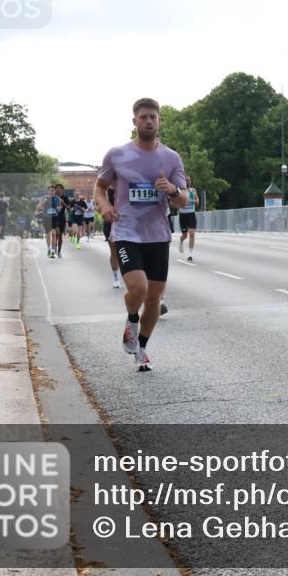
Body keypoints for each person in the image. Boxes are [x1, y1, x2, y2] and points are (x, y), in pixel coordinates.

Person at [94, 97, 187, 372]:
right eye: (143, 117)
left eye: (153, 117)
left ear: (159, 121)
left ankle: (141, 347)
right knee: (138, 288)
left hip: (158, 234)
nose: (148, 121)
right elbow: (99, 188)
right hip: (126, 231)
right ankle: (131, 319)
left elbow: (183, 199)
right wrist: (105, 206)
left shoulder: (171, 158)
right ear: (134, 121)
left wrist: (171, 190)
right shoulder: (117, 155)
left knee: (154, 298)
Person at [35, 185, 60, 258]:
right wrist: (43, 203)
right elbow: (38, 207)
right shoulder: (44, 198)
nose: (51, 192)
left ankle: (52, 251)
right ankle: (49, 249)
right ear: (47, 191)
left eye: (53, 190)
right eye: (50, 190)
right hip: (46, 218)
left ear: (54, 191)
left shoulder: (57, 198)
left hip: (54, 218)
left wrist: (58, 209)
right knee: (49, 234)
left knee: (54, 234)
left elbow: (59, 207)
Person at [178, 175, 198, 261]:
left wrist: (194, 201)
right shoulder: (179, 190)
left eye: (189, 181)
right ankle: (181, 240)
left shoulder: (193, 190)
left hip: (191, 214)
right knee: (185, 236)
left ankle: (190, 254)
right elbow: (174, 202)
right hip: (183, 215)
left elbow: (197, 201)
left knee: (192, 233)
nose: (187, 182)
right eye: (186, 180)